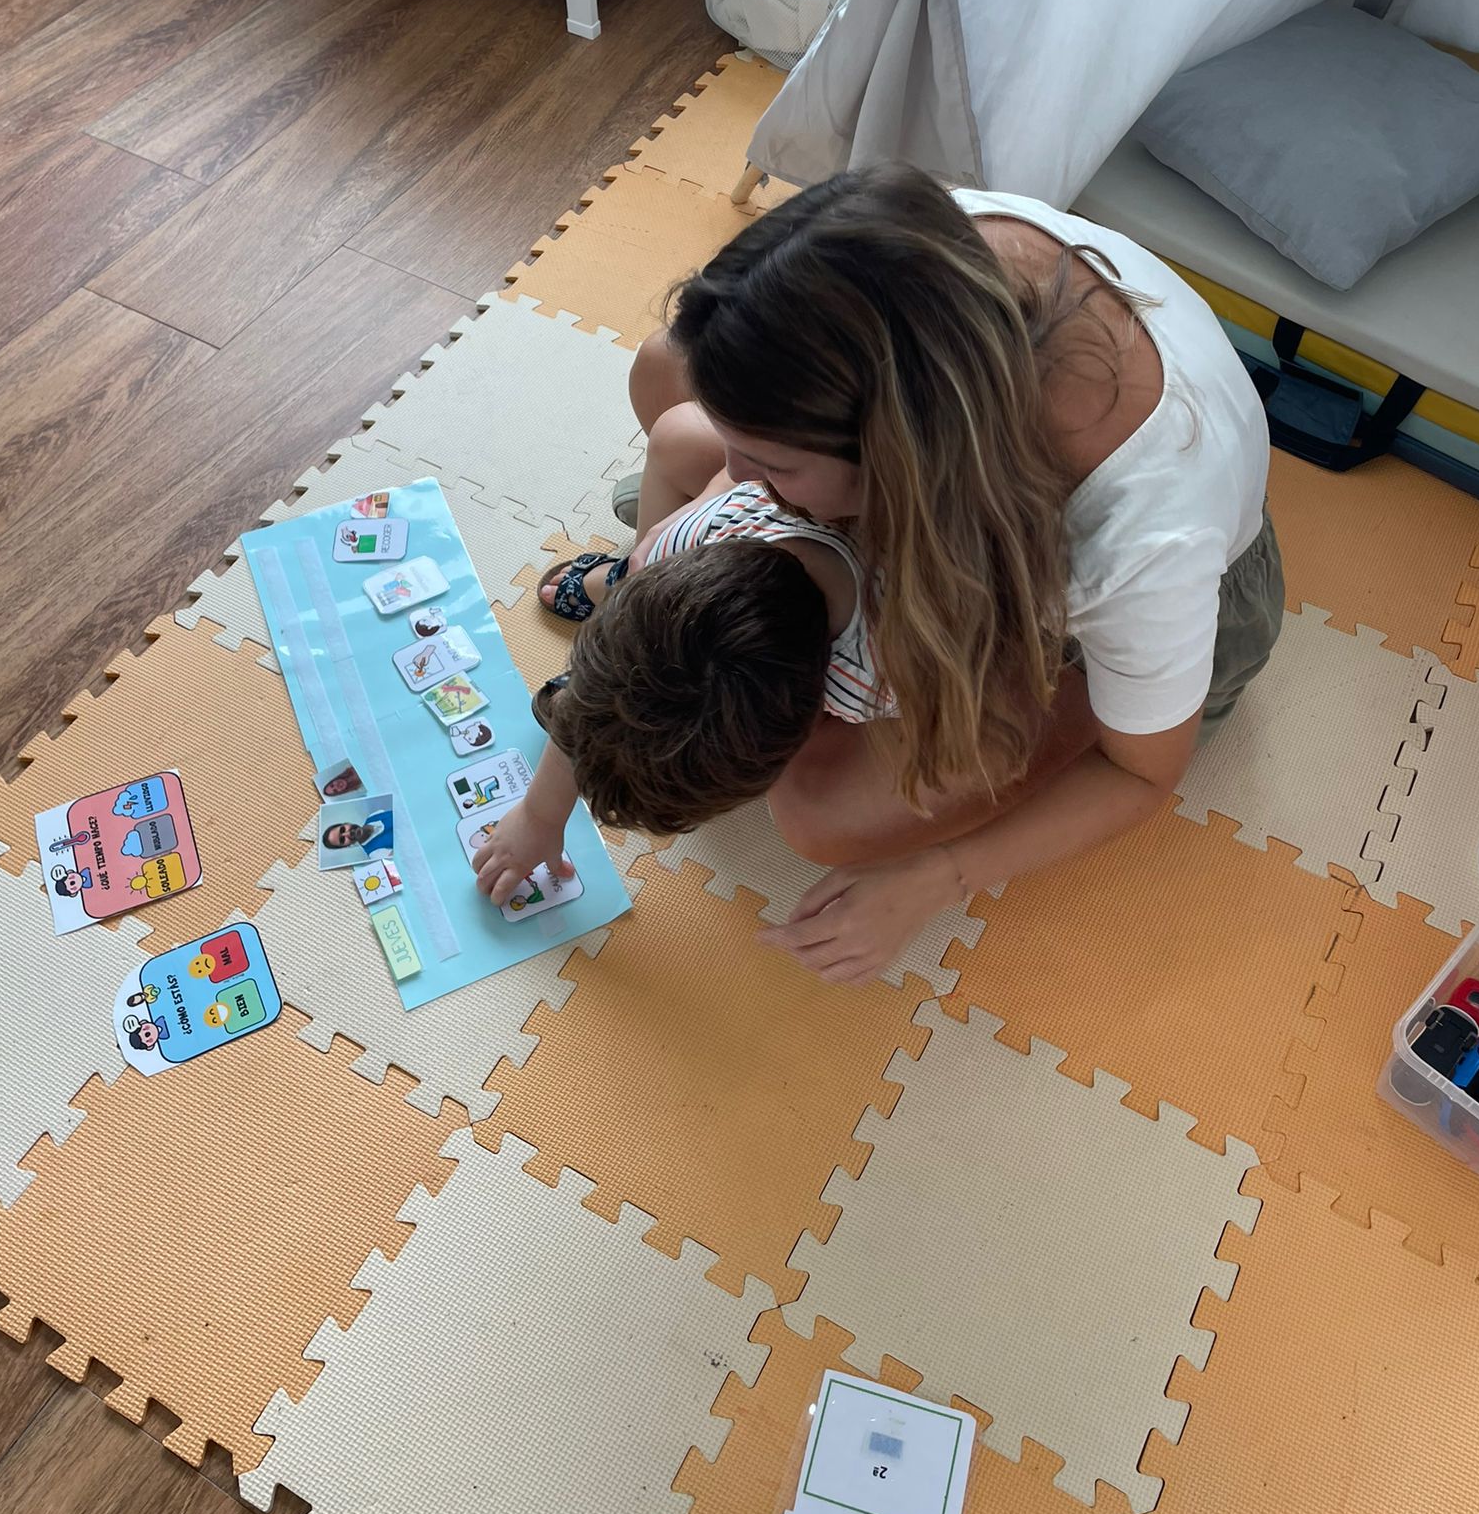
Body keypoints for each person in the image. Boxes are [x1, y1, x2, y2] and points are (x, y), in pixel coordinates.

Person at [543, 163, 1283, 986]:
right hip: (954, 495)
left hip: (1122, 613)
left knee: (818, 815)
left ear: (903, 465)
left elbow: (1143, 772)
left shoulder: (1135, 546)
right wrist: (668, 611)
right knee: (661, 370)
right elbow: (697, 435)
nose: (739, 482)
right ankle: (695, 599)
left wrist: (939, 876)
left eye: (771, 463)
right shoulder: (898, 255)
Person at [471, 481, 886, 905]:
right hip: (749, 509)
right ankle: (617, 577)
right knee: (673, 439)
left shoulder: (875, 680)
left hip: (883, 552)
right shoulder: (682, 538)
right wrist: (539, 816)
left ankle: (615, 584)